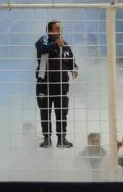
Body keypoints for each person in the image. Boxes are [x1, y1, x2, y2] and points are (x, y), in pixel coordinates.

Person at [34, 20, 78, 149]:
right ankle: (47, 139)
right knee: (45, 112)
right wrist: (55, 44)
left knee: (62, 112)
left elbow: (69, 59)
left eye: (60, 28)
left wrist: (74, 68)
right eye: (57, 28)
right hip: (45, 85)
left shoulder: (65, 45)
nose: (60, 31)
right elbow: (41, 49)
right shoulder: (43, 40)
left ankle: (61, 139)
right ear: (49, 30)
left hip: (61, 86)